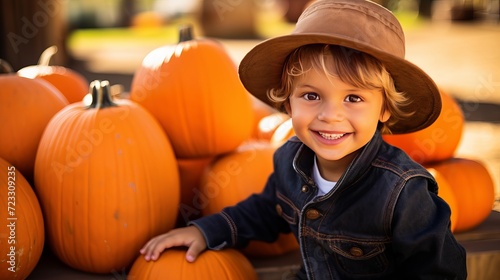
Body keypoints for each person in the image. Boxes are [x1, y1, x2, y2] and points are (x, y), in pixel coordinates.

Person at [140, 0, 467, 278]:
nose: (330, 115)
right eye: (311, 95)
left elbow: (438, 269)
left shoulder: (403, 190)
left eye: (353, 99)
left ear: (384, 110)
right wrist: (205, 230)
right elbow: (267, 211)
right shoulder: (289, 159)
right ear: (287, 102)